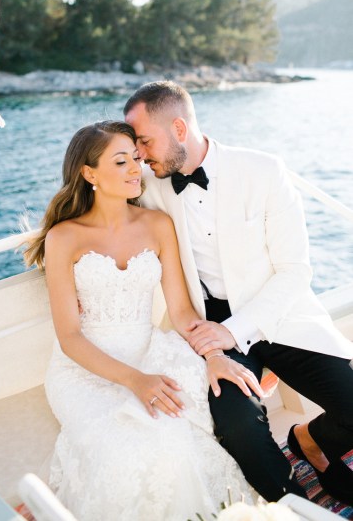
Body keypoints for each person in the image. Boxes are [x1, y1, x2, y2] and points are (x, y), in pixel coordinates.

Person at [124, 81, 353, 506]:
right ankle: (296, 506)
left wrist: (240, 330)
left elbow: (295, 270)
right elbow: (100, 200)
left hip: (279, 316)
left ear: (178, 128)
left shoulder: (264, 170)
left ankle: (309, 439)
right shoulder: (149, 188)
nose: (139, 154)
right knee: (240, 429)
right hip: (207, 328)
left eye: (143, 140)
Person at [24, 121, 256, 521]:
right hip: (85, 367)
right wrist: (135, 380)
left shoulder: (156, 225)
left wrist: (214, 355)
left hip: (150, 350)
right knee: (123, 452)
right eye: (121, 161)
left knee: (177, 439)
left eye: (136, 157)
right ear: (89, 173)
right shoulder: (64, 238)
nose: (136, 168)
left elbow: (182, 314)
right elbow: (70, 337)